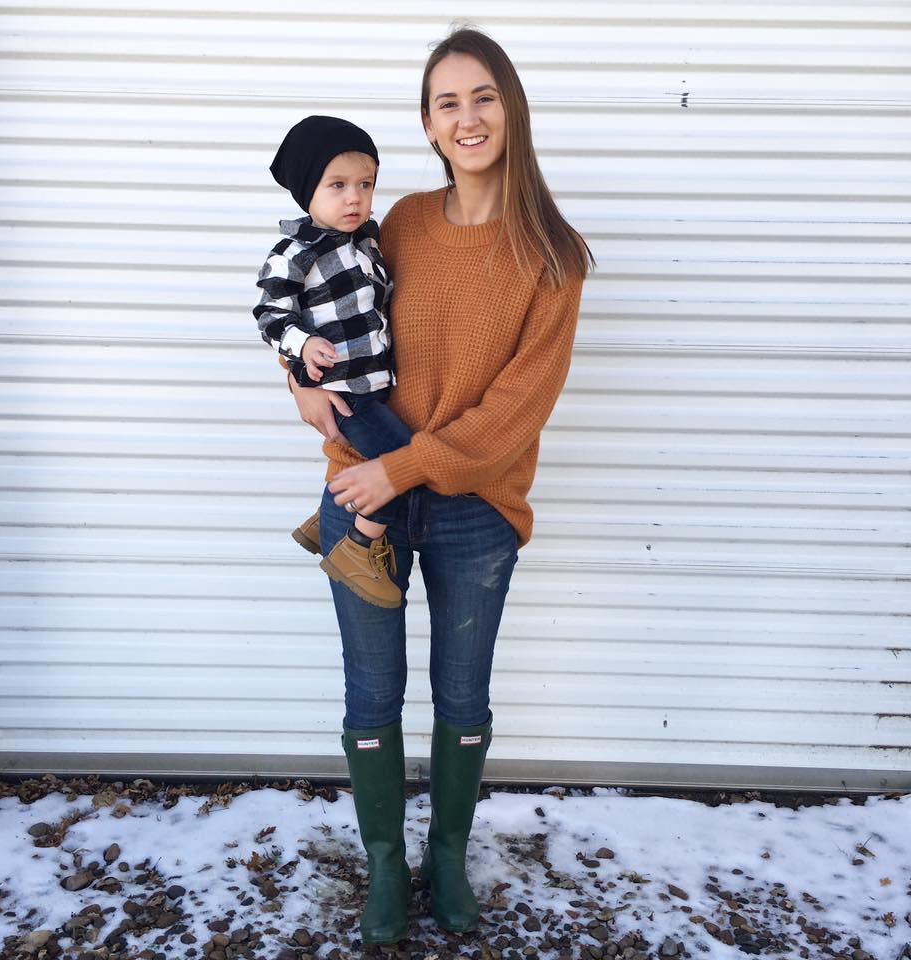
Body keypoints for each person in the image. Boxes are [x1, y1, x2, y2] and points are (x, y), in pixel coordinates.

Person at [288, 29, 592, 946]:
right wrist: (298, 381)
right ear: (426, 124)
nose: (468, 117)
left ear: (512, 107)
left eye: (483, 96)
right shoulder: (398, 225)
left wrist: (405, 467)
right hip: (362, 498)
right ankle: (386, 864)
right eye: (448, 102)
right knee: (370, 693)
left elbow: (511, 415)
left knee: (463, 697)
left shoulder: (554, 256)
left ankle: (446, 857)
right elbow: (319, 313)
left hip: (475, 508)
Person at [253, 115, 411, 609]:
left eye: (365, 185)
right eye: (337, 185)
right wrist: (301, 347)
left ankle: (328, 521)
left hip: (376, 382)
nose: (354, 198)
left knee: (379, 460)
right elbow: (269, 315)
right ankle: (359, 548)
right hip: (348, 394)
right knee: (403, 468)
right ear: (307, 192)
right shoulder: (294, 254)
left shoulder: (367, 240)